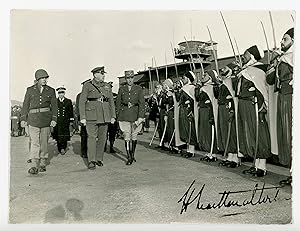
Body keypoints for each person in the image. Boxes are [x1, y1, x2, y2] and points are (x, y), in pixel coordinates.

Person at [235, 45, 271, 177]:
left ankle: (262, 167)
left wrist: (262, 106)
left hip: (254, 105)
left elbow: (262, 89)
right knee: (250, 133)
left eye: (245, 54)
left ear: (251, 55)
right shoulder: (245, 70)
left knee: (259, 134)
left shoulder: (259, 69)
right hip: (245, 106)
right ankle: (255, 165)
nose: (243, 57)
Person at [267, 28, 294, 186]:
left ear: (293, 40)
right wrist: (274, 60)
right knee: (286, 135)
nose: (281, 42)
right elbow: (270, 80)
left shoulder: (294, 56)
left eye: (285, 39)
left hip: (292, 98)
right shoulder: (283, 58)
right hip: (283, 98)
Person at [20, 69, 57, 174]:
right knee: (34, 142)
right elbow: (25, 105)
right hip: (33, 120)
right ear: (37, 79)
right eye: (42, 78)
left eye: (46, 78)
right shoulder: (30, 90)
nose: (45, 80)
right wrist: (23, 119)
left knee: (44, 142)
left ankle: (43, 161)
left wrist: (54, 119)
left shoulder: (51, 90)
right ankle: (34, 164)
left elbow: (54, 106)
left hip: (46, 119)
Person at [79, 66, 116, 170]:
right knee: (91, 138)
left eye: (104, 73)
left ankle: (99, 158)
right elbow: (82, 102)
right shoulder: (87, 85)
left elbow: (111, 102)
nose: (104, 75)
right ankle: (91, 160)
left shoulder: (107, 86)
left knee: (103, 138)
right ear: (95, 75)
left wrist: (113, 115)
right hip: (91, 115)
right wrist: (83, 117)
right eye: (102, 73)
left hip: (104, 115)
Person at [116, 70, 145, 165]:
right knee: (126, 136)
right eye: (128, 78)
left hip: (135, 115)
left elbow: (142, 104)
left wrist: (141, 116)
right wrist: (118, 115)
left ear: (134, 78)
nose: (130, 80)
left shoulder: (139, 89)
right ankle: (129, 156)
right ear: (125, 79)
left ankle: (132, 154)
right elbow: (118, 104)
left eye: (131, 78)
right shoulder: (122, 89)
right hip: (124, 115)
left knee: (134, 136)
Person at [178, 71, 197, 158]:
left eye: (184, 78)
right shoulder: (183, 88)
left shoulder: (191, 88)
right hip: (182, 111)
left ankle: (191, 150)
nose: (183, 79)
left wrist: (191, 111)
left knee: (190, 130)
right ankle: (188, 149)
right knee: (184, 129)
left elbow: (193, 101)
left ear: (188, 78)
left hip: (188, 111)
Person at [52, 86, 74, 155]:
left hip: (65, 121)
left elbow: (71, 111)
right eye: (59, 93)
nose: (61, 94)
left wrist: (71, 121)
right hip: (58, 121)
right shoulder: (55, 101)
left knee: (64, 135)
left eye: (62, 93)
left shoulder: (68, 101)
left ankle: (63, 148)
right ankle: (59, 147)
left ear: (64, 93)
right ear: (58, 94)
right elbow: (52, 111)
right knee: (58, 135)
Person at [75, 79, 90, 159]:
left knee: (91, 136)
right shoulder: (79, 96)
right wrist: (79, 119)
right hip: (83, 118)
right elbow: (77, 108)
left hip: (91, 118)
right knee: (84, 136)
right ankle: (84, 152)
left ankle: (90, 151)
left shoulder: (91, 94)